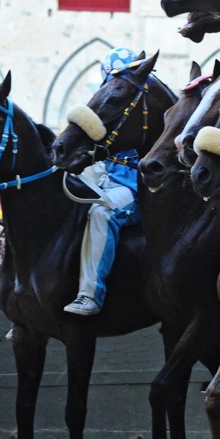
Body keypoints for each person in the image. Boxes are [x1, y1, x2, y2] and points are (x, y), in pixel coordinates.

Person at [63, 48, 143, 316]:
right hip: (104, 179)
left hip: (135, 188)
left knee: (102, 213)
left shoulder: (143, 109)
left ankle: (90, 294)